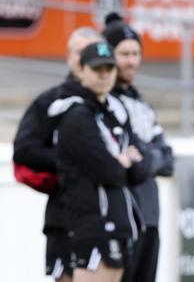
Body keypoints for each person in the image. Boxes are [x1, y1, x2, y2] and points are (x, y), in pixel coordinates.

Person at [13, 27, 104, 282]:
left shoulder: (114, 103)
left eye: (92, 51)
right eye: (80, 52)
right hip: (65, 218)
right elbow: (24, 150)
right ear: (69, 57)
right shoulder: (50, 102)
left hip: (110, 220)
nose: (86, 58)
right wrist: (71, 165)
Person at [57, 41, 150, 282]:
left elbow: (141, 165)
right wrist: (123, 161)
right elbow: (109, 171)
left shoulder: (113, 111)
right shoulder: (76, 115)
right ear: (82, 70)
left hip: (118, 224)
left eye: (109, 68)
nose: (104, 74)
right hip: (93, 226)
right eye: (97, 68)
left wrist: (126, 162)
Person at [102, 12, 174, 282]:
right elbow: (138, 162)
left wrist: (148, 157)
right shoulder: (105, 102)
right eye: (124, 54)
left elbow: (167, 160)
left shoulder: (141, 104)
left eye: (136, 53)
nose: (132, 61)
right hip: (123, 219)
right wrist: (150, 156)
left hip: (150, 217)